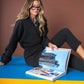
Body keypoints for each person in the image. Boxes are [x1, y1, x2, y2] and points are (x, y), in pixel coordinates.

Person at [0, 0, 84, 71]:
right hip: (33, 57)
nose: (36, 9)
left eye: (38, 7)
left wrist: (49, 44)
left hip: (44, 49)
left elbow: (44, 39)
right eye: (33, 7)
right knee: (67, 57)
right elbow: (13, 43)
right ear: (28, 7)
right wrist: (4, 60)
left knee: (65, 32)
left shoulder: (42, 21)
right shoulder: (21, 23)